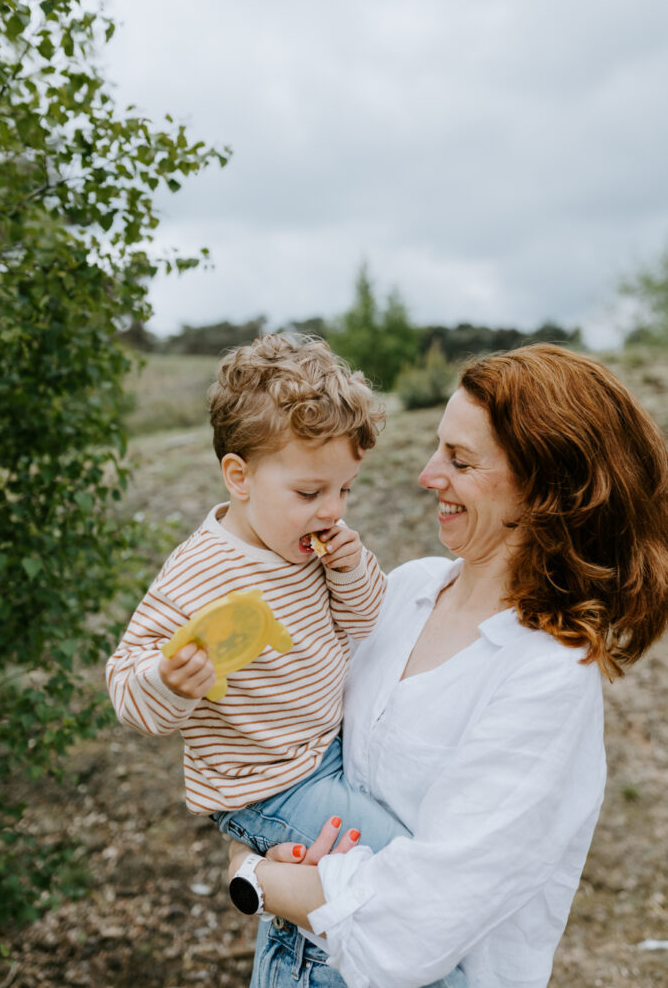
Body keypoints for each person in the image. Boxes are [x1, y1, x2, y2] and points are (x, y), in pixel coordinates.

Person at [226, 343, 668, 988]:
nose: (429, 474)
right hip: (287, 964)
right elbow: (292, 756)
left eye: (460, 460)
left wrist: (253, 875)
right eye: (439, 448)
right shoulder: (404, 590)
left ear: (545, 489)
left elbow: (414, 928)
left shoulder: (546, 675)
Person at [106, 333, 412, 871]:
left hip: (329, 751)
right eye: (310, 492)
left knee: (354, 891)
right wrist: (167, 679)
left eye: (346, 490)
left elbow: (365, 620)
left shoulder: (315, 547)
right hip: (270, 788)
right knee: (405, 866)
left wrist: (349, 566)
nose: (332, 511)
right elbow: (127, 687)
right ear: (239, 477)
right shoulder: (201, 572)